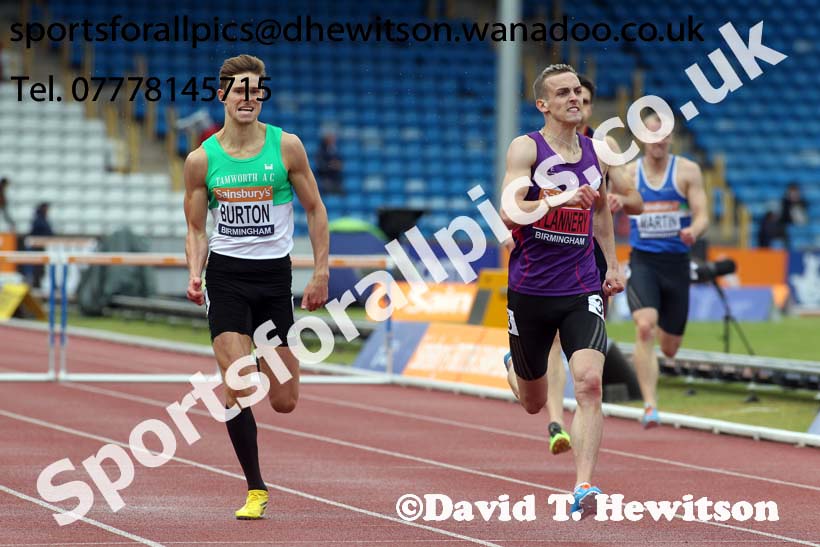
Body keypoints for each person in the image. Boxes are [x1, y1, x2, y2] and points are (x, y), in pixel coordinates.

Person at [183, 54, 329, 520]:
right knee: (239, 384)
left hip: (273, 280)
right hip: (225, 278)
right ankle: (255, 488)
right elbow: (196, 228)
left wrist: (321, 270)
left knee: (284, 401)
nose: (248, 98)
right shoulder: (202, 159)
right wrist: (194, 270)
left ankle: (255, 365)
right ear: (222, 94)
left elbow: (315, 210)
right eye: (239, 89)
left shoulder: (286, 148)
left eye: (256, 89)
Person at [499, 64, 625, 518]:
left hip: (580, 287)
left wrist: (611, 264)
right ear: (543, 105)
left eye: (577, 91)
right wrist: (555, 198)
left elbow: (604, 214)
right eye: (563, 93)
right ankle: (515, 367)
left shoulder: (598, 153)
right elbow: (508, 210)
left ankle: (584, 487)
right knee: (534, 404)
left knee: (590, 382)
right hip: (531, 290)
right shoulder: (526, 148)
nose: (574, 98)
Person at [626, 112, 708, 428]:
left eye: (663, 135)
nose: (658, 140)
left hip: (676, 264)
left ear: (670, 137)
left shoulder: (687, 171)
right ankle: (649, 405)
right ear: (642, 138)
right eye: (651, 134)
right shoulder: (630, 173)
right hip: (644, 261)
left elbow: (702, 215)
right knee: (645, 325)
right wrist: (618, 200)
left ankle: (659, 344)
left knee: (670, 348)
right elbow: (609, 200)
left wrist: (694, 231)